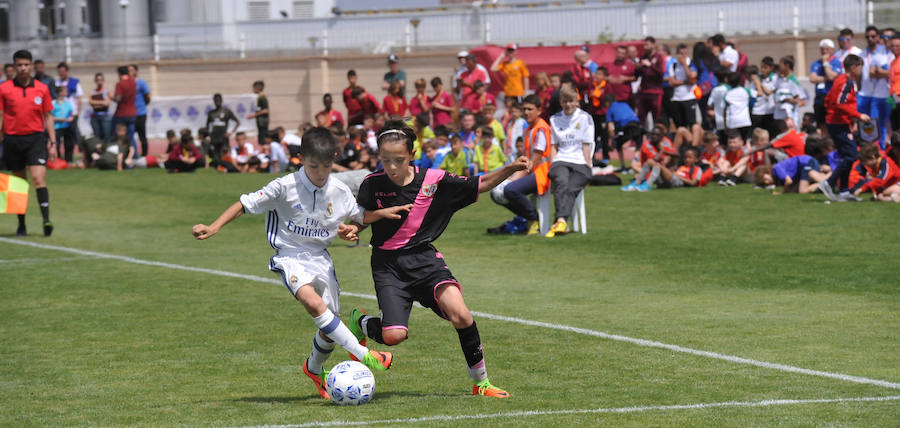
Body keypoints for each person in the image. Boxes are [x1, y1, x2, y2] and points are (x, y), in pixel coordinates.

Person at [192, 127, 397, 400]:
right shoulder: (283, 186)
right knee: (313, 304)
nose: (321, 173)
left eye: (326, 166)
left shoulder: (338, 189)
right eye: (314, 166)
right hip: (289, 256)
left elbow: (358, 216)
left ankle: (313, 368)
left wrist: (364, 223)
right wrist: (214, 226)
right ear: (301, 158)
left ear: (334, 157)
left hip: (321, 259)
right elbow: (243, 204)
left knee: (329, 325)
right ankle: (366, 355)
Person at [344, 120, 529, 399]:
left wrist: (510, 169)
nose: (391, 167)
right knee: (394, 337)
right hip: (388, 267)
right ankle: (362, 322)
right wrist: (353, 228)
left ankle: (481, 383)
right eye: (385, 160)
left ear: (412, 154)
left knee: (462, 314)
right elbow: (361, 217)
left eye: (398, 160)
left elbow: (480, 184)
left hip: (425, 261)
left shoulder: (434, 181)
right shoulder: (372, 184)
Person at [0, 50, 56, 236]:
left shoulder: (42, 88)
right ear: (14, 67)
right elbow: (1, 114)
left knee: (39, 179)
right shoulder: (4, 89)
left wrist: (53, 142)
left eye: (26, 64)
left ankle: (46, 221)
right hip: (12, 139)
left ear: (31, 66)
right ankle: (21, 224)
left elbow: (48, 116)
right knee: (18, 183)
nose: (23, 68)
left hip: (35, 139)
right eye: (19, 65)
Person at [820, 54, 871, 202]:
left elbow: (829, 100)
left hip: (838, 122)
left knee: (847, 156)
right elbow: (840, 103)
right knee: (852, 155)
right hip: (838, 123)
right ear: (854, 67)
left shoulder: (840, 80)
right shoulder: (846, 82)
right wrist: (858, 115)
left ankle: (843, 191)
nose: (861, 71)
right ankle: (828, 183)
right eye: (860, 68)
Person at [500, 94, 551, 235]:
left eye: (530, 109)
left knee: (509, 190)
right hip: (533, 172)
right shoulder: (528, 129)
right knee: (497, 194)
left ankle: (533, 219)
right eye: (525, 109)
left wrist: (514, 179)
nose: (526, 112)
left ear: (539, 111)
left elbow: (534, 160)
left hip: (543, 173)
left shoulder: (541, 128)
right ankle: (528, 218)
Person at [546, 87, 594, 238]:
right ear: (560, 102)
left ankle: (560, 221)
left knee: (571, 187)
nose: (568, 104)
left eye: (571, 101)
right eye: (565, 101)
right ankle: (561, 221)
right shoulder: (554, 119)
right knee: (561, 180)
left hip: (579, 161)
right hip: (561, 159)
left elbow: (587, 144)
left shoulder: (585, 118)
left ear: (576, 102)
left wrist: (588, 165)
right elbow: (554, 145)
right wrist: (553, 163)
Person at [858, 26, 891, 148]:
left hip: (886, 94)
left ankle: (885, 147)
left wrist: (881, 72)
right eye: (868, 37)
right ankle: (872, 148)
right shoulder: (862, 54)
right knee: (870, 123)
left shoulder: (887, 51)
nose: (870, 39)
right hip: (866, 93)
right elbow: (871, 73)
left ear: (878, 37)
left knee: (887, 122)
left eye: (873, 36)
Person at [621, 123, 678, 191]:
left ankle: (645, 184)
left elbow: (677, 154)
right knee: (646, 164)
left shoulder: (666, 142)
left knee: (657, 162)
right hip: (656, 173)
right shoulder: (647, 145)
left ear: (662, 136)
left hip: (669, 177)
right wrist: (662, 151)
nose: (654, 136)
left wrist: (663, 151)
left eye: (657, 135)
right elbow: (655, 160)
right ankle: (637, 184)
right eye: (653, 134)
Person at [809, 39, 843, 135]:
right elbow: (812, 78)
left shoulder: (837, 62)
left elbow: (832, 76)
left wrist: (825, 63)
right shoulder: (816, 63)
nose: (824, 52)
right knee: (820, 124)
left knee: (832, 123)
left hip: (831, 97)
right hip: (820, 98)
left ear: (832, 50)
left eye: (827, 49)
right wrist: (826, 78)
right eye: (822, 49)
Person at [604, 93, 641, 173]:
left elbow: (610, 128)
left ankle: (623, 166)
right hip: (637, 124)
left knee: (618, 144)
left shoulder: (610, 110)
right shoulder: (624, 104)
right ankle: (634, 161)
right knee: (639, 144)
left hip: (625, 127)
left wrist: (612, 139)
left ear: (607, 103)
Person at [754, 154, 830, 194]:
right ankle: (828, 179)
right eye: (764, 183)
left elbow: (788, 181)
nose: (767, 182)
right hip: (807, 163)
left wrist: (782, 192)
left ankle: (829, 178)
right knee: (794, 190)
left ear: (766, 172)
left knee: (802, 191)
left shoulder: (776, 169)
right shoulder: (777, 170)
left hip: (806, 163)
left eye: (765, 179)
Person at [667, 44, 698, 131]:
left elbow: (691, 78)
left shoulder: (691, 63)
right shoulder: (673, 66)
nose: (683, 55)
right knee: (680, 125)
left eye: (685, 53)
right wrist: (685, 82)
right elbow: (672, 82)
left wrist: (684, 65)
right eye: (681, 53)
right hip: (677, 98)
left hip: (689, 97)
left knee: (692, 123)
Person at [636, 36, 667, 125]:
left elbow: (661, 72)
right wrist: (638, 67)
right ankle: (642, 137)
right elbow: (638, 74)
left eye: (647, 44)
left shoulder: (659, 57)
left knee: (656, 117)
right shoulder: (643, 57)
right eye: (644, 45)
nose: (645, 47)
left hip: (655, 92)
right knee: (641, 117)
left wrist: (650, 65)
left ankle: (658, 136)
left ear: (653, 45)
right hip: (644, 91)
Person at [206, 93, 240, 167]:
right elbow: (208, 125)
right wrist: (208, 136)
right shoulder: (211, 113)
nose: (217, 102)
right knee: (213, 154)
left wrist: (231, 132)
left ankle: (226, 168)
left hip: (223, 137)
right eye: (216, 100)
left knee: (225, 153)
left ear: (221, 101)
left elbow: (237, 122)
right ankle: (213, 167)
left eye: (219, 100)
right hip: (214, 138)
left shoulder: (226, 112)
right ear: (214, 101)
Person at [111, 65, 137, 156]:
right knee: (131, 137)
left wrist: (111, 97)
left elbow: (118, 98)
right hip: (132, 113)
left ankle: (116, 154)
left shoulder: (120, 84)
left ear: (119, 73)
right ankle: (134, 156)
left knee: (116, 135)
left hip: (121, 114)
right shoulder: (133, 82)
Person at [750, 57, 777, 136]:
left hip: (769, 111)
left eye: (765, 68)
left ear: (771, 68)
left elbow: (768, 92)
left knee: (770, 134)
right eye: (761, 67)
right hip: (757, 111)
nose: (763, 70)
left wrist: (759, 83)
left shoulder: (775, 78)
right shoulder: (756, 78)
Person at [128, 64, 151, 157]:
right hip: (130, 114)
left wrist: (142, 106)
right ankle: (133, 154)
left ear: (136, 71)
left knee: (142, 136)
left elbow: (148, 96)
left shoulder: (141, 83)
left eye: (131, 70)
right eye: (128, 70)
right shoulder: (127, 83)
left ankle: (145, 154)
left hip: (141, 114)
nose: (129, 72)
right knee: (130, 136)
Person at [723, 72, 752, 141]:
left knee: (734, 142)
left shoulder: (727, 94)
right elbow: (755, 97)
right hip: (745, 120)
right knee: (745, 142)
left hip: (733, 122)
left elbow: (725, 110)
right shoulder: (746, 90)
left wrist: (725, 125)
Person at [51, 85, 76, 163]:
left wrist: (71, 118)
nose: (66, 92)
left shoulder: (68, 103)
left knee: (69, 144)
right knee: (57, 144)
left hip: (67, 127)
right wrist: (64, 119)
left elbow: (71, 113)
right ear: (60, 93)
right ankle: (57, 159)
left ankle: (68, 160)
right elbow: (51, 117)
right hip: (57, 127)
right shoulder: (53, 103)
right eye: (64, 91)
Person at [88, 73, 112, 143]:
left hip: (105, 116)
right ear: (95, 81)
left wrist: (96, 102)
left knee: (106, 136)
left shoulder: (106, 91)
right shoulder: (93, 92)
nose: (99, 82)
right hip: (95, 116)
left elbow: (107, 103)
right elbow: (91, 102)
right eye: (97, 80)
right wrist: (102, 102)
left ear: (103, 80)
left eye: (100, 80)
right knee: (97, 137)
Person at [246, 80, 270, 145]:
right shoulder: (258, 97)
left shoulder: (262, 97)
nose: (253, 90)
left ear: (258, 88)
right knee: (260, 138)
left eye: (254, 88)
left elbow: (266, 110)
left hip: (263, 122)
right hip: (259, 122)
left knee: (263, 138)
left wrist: (253, 115)